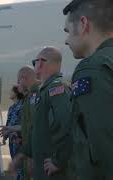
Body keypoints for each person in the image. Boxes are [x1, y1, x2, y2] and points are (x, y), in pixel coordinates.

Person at [63, 0, 113, 179]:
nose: (66, 41)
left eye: (68, 31)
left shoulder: (92, 69)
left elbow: (104, 150)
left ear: (83, 24)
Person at [9, 47, 72, 180]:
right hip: (42, 168)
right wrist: (24, 155)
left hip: (52, 172)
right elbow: (37, 129)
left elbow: (67, 126)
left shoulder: (56, 89)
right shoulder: (44, 91)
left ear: (41, 63)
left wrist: (58, 161)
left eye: (35, 62)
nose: (35, 66)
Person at [16, 66, 41, 180]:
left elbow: (36, 127)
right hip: (31, 152)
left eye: (18, 81)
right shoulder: (30, 96)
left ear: (23, 79)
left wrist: (31, 156)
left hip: (36, 155)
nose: (17, 85)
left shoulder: (37, 95)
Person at [0, 85, 24, 180]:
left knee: (20, 167)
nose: (9, 93)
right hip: (12, 142)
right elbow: (8, 124)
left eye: (11, 91)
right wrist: (5, 135)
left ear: (16, 93)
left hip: (19, 141)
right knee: (15, 165)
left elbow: (24, 125)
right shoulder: (11, 108)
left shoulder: (22, 106)